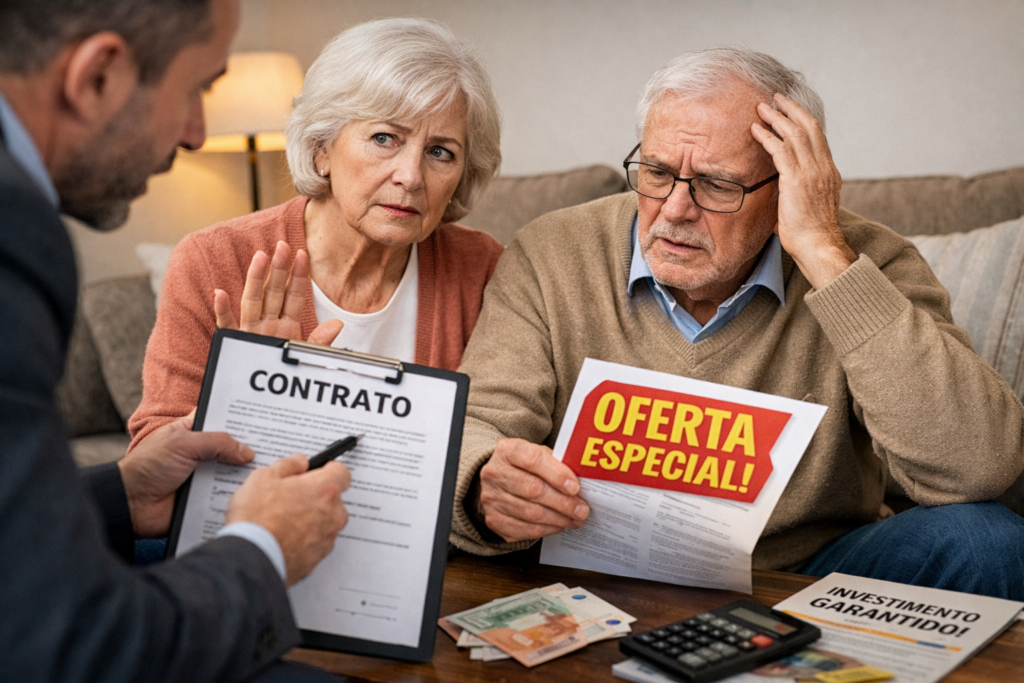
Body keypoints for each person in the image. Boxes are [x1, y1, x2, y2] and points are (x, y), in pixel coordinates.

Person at [449, 47, 1024, 598]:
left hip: (804, 574)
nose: (675, 209)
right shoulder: (552, 250)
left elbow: (979, 467)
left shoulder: (870, 261)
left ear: (787, 186)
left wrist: (825, 254)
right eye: (657, 172)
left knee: (989, 543)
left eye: (717, 185)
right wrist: (485, 486)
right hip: (590, 567)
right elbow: (479, 425)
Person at [0, 0, 352, 680]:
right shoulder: (14, 229)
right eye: (197, 89)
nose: (196, 134)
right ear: (97, 76)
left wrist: (124, 493)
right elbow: (77, 645)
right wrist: (263, 548)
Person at [129, 17, 504, 449]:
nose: (411, 176)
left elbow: (496, 431)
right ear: (321, 147)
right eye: (385, 138)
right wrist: (250, 395)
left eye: (440, 152)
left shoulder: (482, 269)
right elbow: (150, 457)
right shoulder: (213, 261)